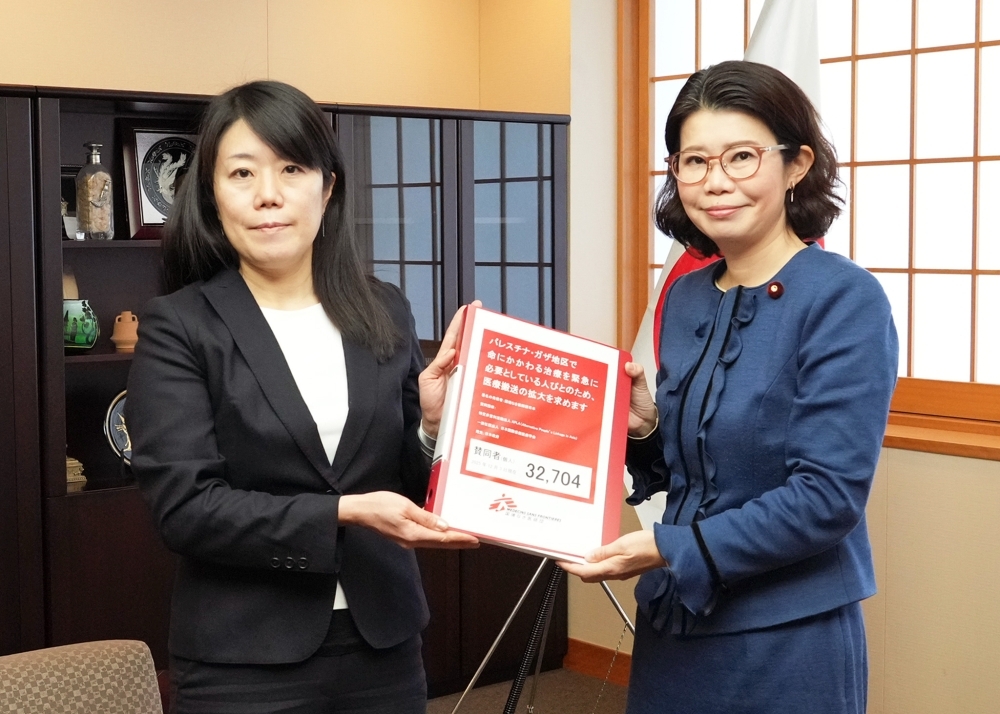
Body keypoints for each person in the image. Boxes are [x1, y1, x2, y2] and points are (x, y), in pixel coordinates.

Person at [125, 80, 478, 714]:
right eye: (242, 172)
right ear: (211, 192)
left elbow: (406, 484)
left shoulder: (383, 308)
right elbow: (186, 509)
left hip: (383, 645)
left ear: (328, 185)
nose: (269, 194)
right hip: (243, 658)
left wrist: (430, 426)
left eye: (292, 168)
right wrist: (341, 513)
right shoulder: (179, 325)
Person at [560, 61, 898, 714]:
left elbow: (826, 498)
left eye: (741, 157)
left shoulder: (844, 299)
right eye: (693, 161)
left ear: (796, 164)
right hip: (676, 626)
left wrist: (663, 547)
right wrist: (645, 427)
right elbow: (696, 468)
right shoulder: (686, 295)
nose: (715, 182)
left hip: (787, 637)